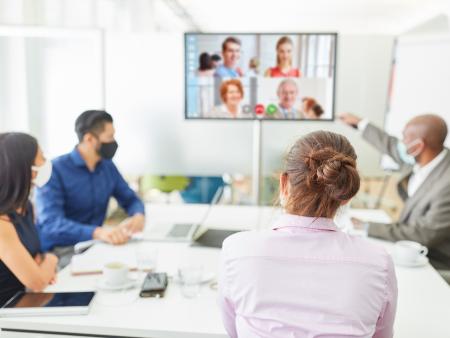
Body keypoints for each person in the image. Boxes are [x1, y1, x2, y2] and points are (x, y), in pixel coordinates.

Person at [219, 131, 397, 337]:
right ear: (346, 196)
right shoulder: (378, 262)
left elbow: (234, 331)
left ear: (284, 184)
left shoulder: (237, 250)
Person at [340, 112, 450, 270]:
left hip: (434, 260)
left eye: (404, 138)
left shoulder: (446, 183)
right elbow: (391, 146)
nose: (400, 142)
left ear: (418, 146)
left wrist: (367, 227)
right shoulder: (427, 156)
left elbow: (425, 234)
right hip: (411, 250)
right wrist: (361, 124)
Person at [36, 110, 145, 268]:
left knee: (137, 266)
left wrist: (138, 215)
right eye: (109, 137)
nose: (114, 142)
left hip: (96, 245)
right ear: (89, 139)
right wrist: (98, 232)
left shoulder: (107, 167)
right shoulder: (55, 171)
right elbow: (51, 223)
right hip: (61, 252)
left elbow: (130, 199)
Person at [0, 133, 58, 306]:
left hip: (26, 301)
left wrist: (40, 264)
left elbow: (36, 256)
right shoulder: (2, 224)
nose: (46, 162)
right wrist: (51, 260)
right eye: (41, 158)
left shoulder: (26, 207)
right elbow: (37, 282)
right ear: (25, 169)